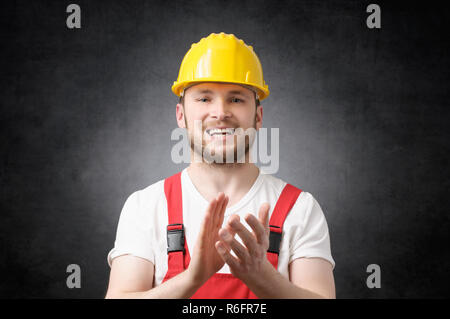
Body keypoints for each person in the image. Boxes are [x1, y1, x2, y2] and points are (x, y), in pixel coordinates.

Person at [105, 32, 336, 299]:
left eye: (236, 99)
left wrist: (263, 279)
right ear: (181, 115)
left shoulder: (300, 208)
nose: (220, 113)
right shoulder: (146, 206)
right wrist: (193, 277)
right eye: (204, 99)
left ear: (258, 117)